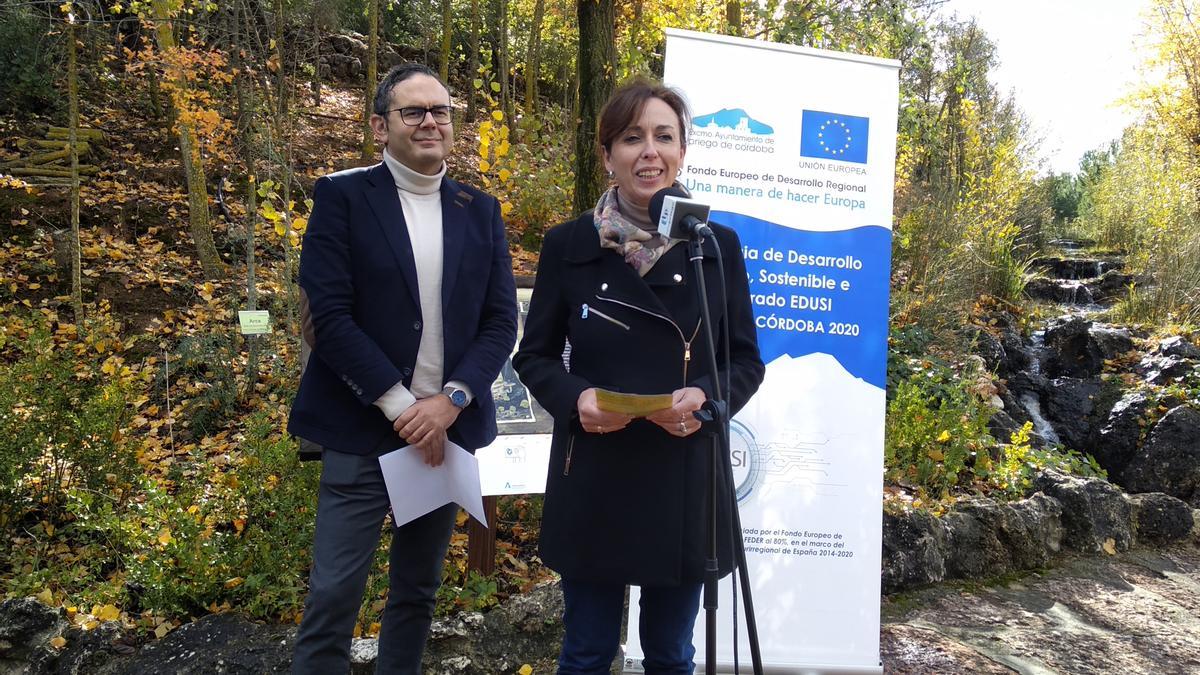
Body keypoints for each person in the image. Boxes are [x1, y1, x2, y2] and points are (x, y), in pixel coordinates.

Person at [512, 77, 765, 674]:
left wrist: (705, 396)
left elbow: (744, 361)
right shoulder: (568, 244)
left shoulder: (715, 244)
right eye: (631, 138)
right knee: (587, 652)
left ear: (682, 151)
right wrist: (577, 400)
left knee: (672, 655)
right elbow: (535, 356)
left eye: (663, 136)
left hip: (684, 473)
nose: (649, 151)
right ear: (607, 156)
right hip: (594, 470)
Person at [288, 63, 518, 673]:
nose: (429, 122)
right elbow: (329, 317)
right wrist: (402, 406)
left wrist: (453, 401)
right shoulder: (341, 197)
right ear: (378, 125)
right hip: (365, 429)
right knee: (334, 596)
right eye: (412, 111)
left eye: (440, 110)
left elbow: (500, 322)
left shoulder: (480, 209)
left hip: (444, 435)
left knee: (416, 594)